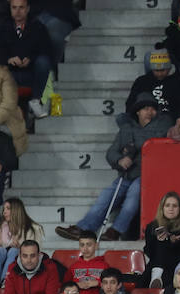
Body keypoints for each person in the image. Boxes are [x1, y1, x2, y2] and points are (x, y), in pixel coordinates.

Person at [60, 94, 172, 242]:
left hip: (147, 175)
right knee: (106, 196)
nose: (150, 112)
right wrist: (120, 160)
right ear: (138, 112)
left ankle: (115, 230)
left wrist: (129, 137)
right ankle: (83, 228)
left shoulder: (161, 125)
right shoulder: (126, 129)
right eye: (145, 109)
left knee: (133, 196)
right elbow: (111, 152)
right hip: (127, 174)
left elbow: (146, 141)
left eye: (152, 109)